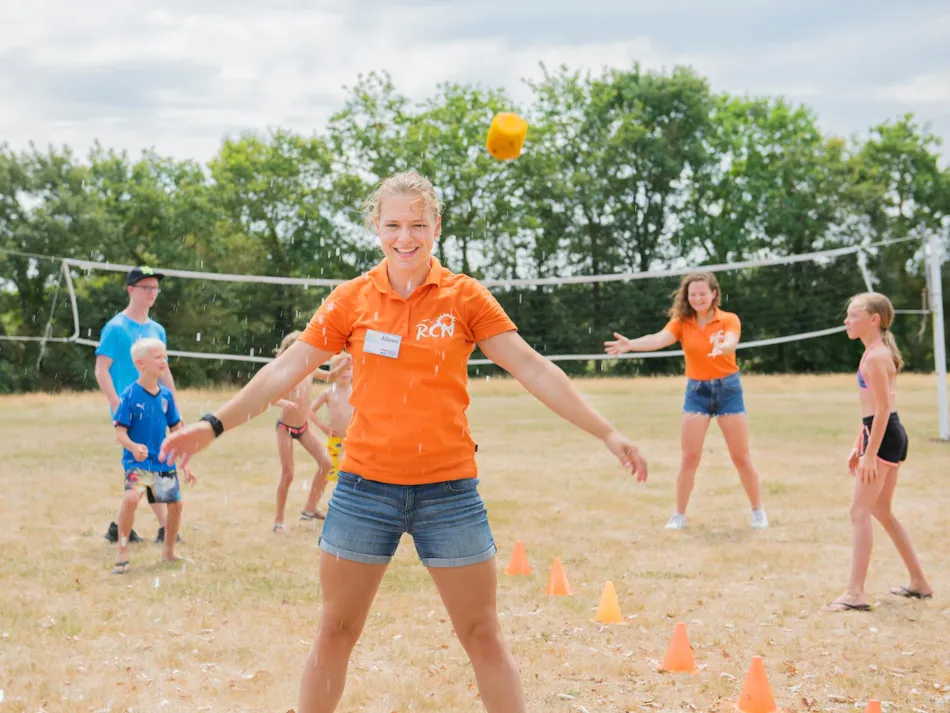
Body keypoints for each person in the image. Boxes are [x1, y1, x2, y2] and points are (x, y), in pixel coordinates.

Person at [159, 170, 647, 713]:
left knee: (483, 634)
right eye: (393, 224)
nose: (405, 237)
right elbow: (288, 367)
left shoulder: (465, 298)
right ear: (376, 227)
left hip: (450, 493)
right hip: (365, 491)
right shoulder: (352, 300)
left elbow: (533, 369)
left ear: (436, 226)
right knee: (336, 630)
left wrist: (607, 430)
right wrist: (213, 424)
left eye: (417, 224)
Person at [605, 272, 767, 530]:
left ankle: (758, 511)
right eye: (693, 294)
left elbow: (732, 340)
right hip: (697, 391)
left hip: (728, 389)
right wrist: (631, 344)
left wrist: (725, 346)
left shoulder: (728, 319)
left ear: (714, 293)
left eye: (703, 293)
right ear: (687, 297)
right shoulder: (682, 322)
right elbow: (658, 339)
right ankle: (678, 515)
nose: (698, 298)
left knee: (741, 457)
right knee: (690, 457)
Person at [822, 292, 932, 612]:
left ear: (874, 319)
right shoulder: (873, 352)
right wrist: (859, 445)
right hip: (883, 434)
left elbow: (883, 409)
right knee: (881, 512)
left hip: (885, 438)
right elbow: (871, 411)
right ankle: (919, 583)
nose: (846, 320)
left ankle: (855, 593)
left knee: (859, 513)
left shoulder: (876, 357)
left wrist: (870, 454)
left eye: (853, 315)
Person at [95, 266, 178, 545]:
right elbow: (101, 370)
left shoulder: (157, 330)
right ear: (131, 290)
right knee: (146, 466)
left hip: (156, 407)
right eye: (146, 288)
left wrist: (172, 403)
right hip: (130, 411)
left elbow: (164, 369)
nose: (152, 293)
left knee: (149, 464)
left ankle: (119, 528)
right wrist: (117, 403)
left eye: (155, 288)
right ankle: (166, 528)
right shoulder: (116, 328)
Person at [112, 338, 195, 574]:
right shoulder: (129, 396)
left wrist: (185, 461)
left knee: (176, 505)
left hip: (162, 463)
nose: (164, 360)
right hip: (137, 464)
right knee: (130, 500)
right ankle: (122, 549)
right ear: (141, 363)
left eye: (164, 356)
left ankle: (168, 551)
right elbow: (120, 432)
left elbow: (177, 430)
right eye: (157, 357)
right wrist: (133, 446)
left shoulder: (166, 396)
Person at [271, 331, 336, 532]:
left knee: (326, 463)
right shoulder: (283, 371)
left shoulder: (308, 368)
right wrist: (284, 402)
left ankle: (310, 508)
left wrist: (347, 361)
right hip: (285, 428)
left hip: (303, 428)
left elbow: (329, 376)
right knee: (288, 473)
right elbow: (269, 397)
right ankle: (279, 520)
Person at [309, 351, 354, 484]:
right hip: (335, 441)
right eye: (340, 368)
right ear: (333, 371)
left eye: (348, 368)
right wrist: (324, 427)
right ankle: (315, 501)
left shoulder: (356, 392)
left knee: (350, 476)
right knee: (328, 474)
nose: (344, 372)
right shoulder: (328, 393)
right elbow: (310, 411)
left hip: (353, 442)